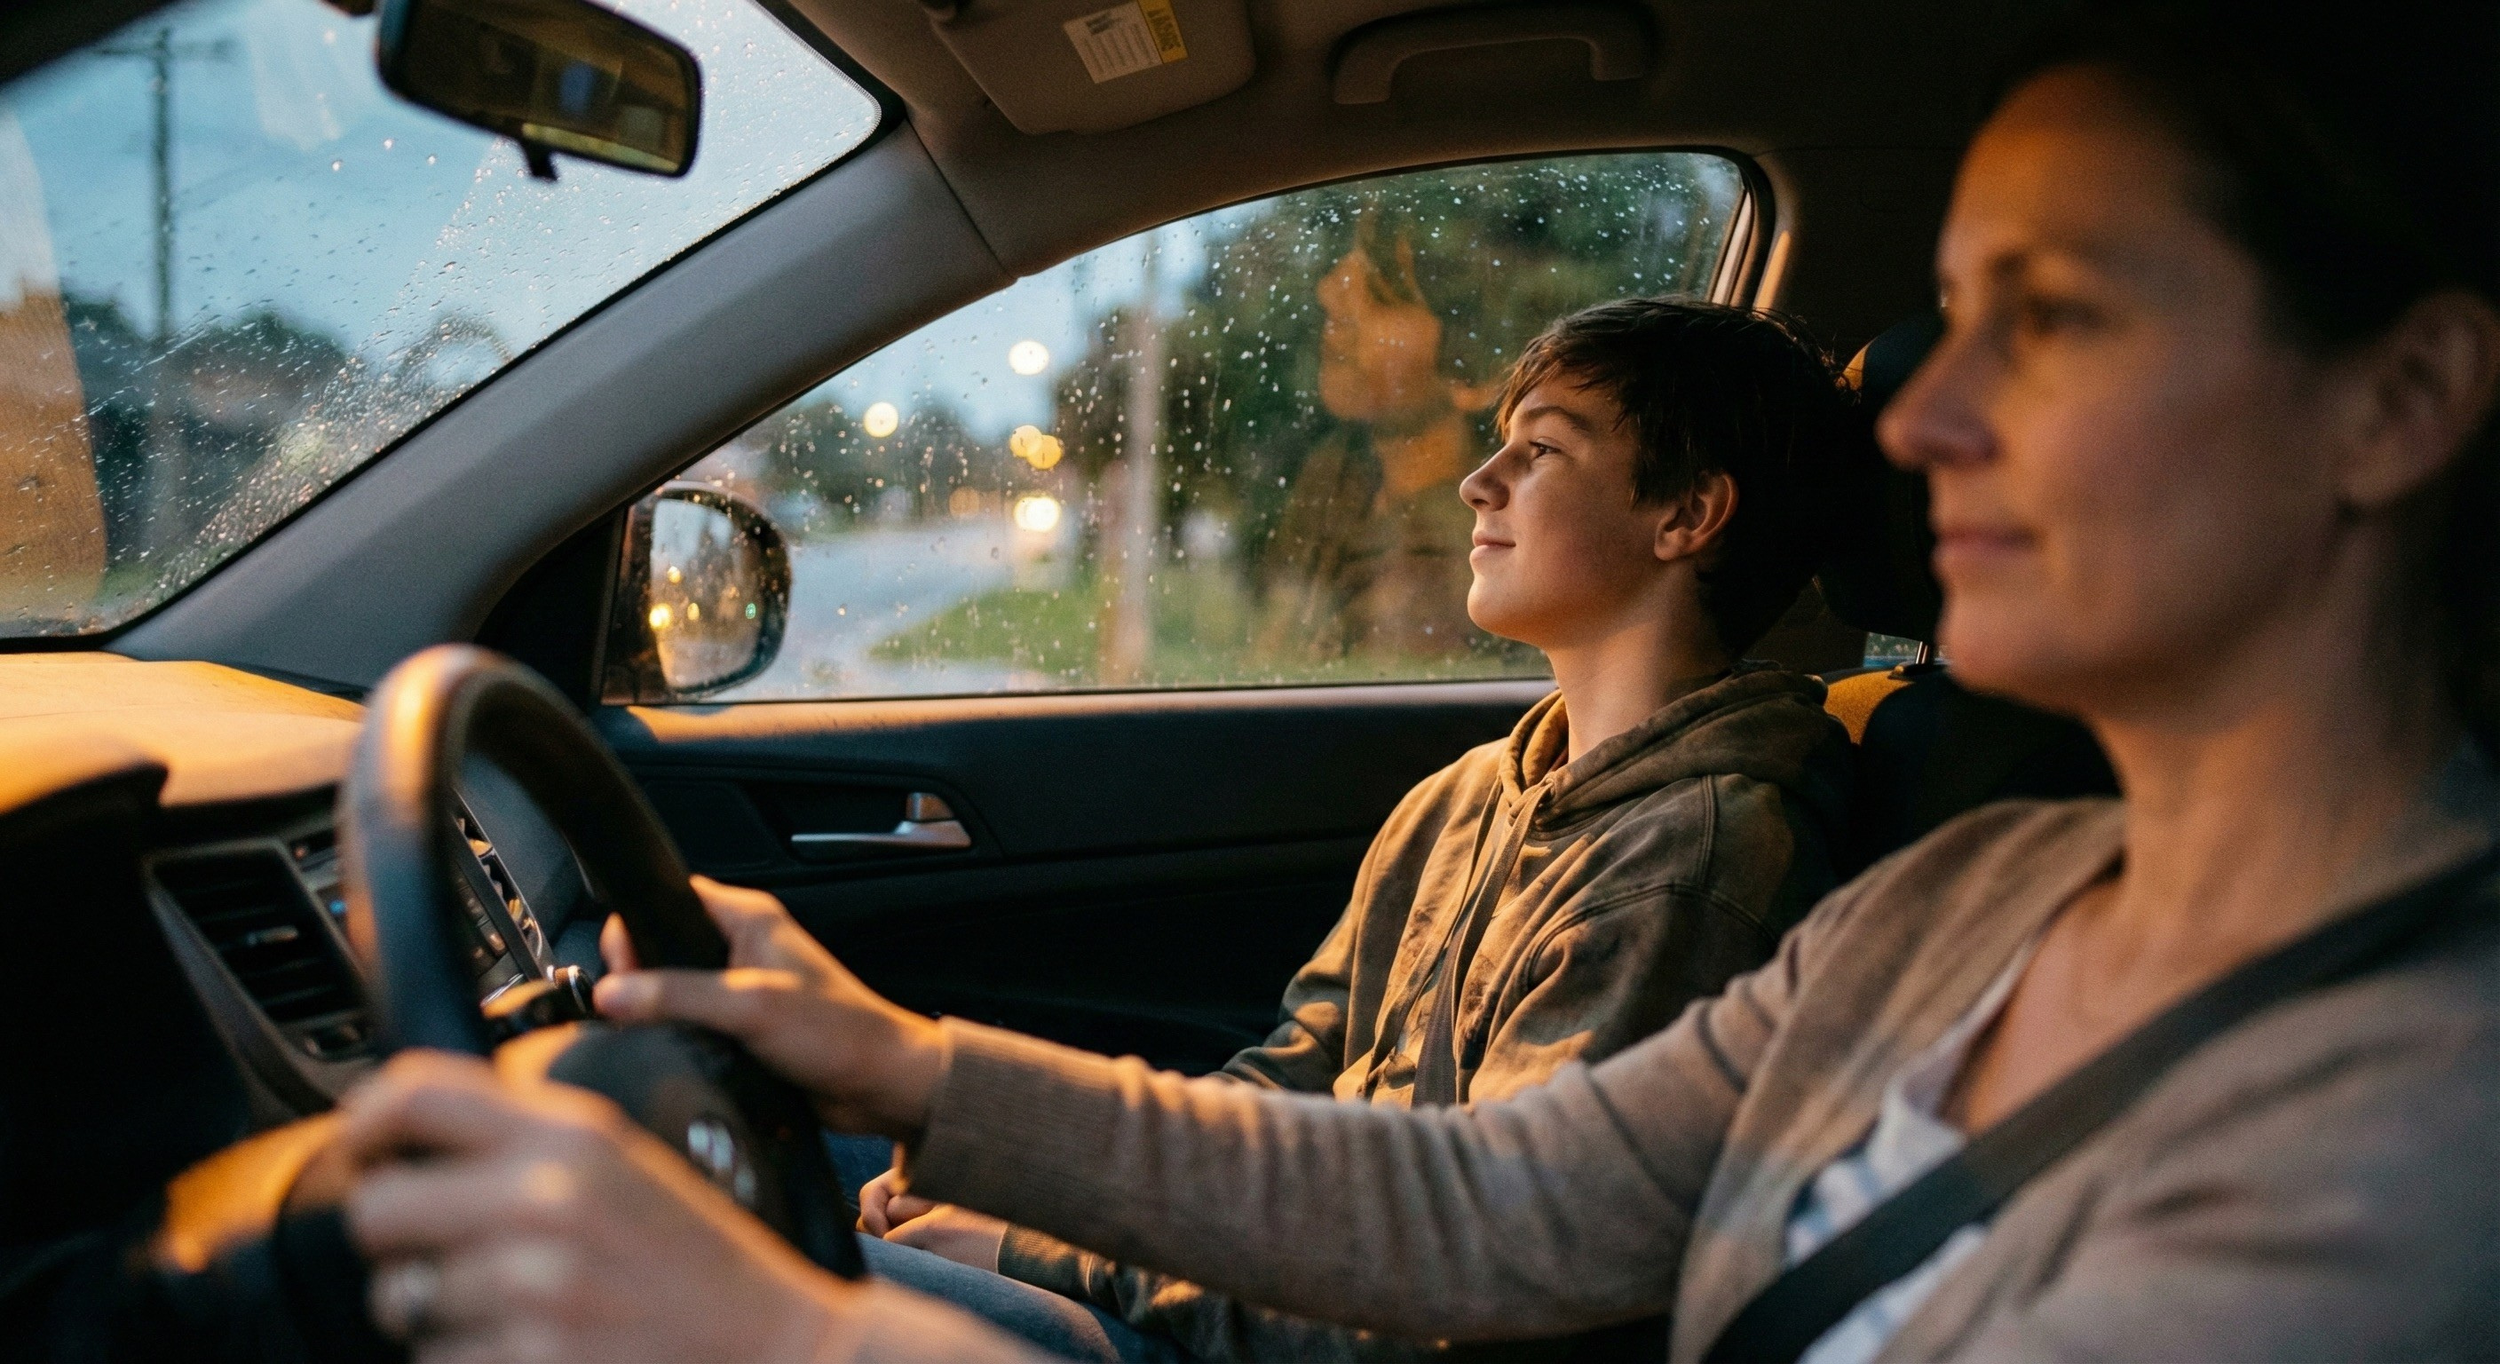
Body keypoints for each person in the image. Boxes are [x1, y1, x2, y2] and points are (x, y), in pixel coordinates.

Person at [332, 4, 2500, 1361]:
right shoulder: (1975, 897)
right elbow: (1485, 1199)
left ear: (2393, 398)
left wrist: (794, 1341)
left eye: (2052, 320)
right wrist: (908, 1066)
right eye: (1941, 324)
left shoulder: (2413, 1139)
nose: (1917, 426)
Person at [845, 297, 1857, 1362]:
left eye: (1544, 448)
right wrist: (1048, 1190)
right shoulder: (1468, 793)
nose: (1479, 479)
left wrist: (1050, 1249)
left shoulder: (1692, 867)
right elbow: (1290, 1081)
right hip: (1261, 1292)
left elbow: (1465, 1305)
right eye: (1499, 440)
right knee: (805, 1157)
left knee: (768, 1250)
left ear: (1687, 514)